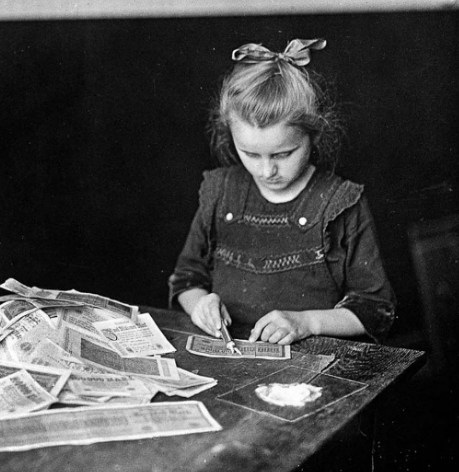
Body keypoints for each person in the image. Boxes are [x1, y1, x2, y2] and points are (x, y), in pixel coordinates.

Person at [168, 38, 395, 345]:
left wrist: (306, 322)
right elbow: (186, 279)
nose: (266, 171)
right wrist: (200, 305)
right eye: (250, 154)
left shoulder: (341, 203)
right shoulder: (220, 192)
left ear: (313, 135)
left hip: (312, 372)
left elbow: (375, 308)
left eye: (282, 154)